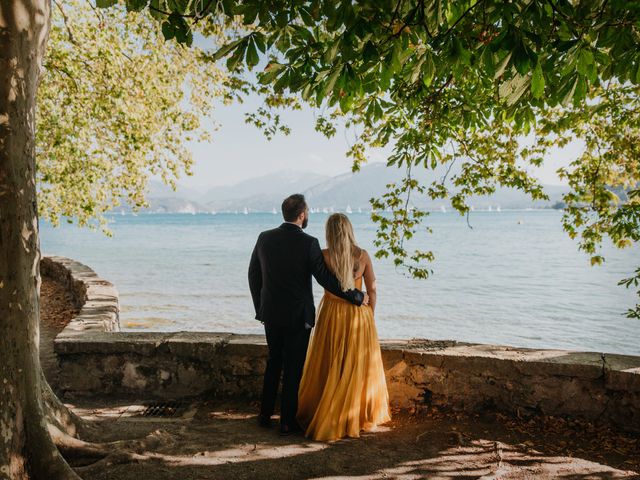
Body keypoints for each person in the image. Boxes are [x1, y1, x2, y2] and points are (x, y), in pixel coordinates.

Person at [248, 194, 367, 435]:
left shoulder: (264, 238)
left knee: (274, 363)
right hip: (298, 316)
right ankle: (286, 422)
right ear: (302, 215)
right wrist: (355, 296)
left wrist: (260, 307)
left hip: (270, 313)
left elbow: (253, 275)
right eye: (308, 212)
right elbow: (325, 279)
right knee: (293, 368)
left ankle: (264, 415)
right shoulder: (309, 243)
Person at [297, 213, 391, 441]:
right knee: (355, 364)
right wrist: (370, 315)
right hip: (359, 316)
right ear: (349, 230)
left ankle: (328, 410)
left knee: (331, 362)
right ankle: (355, 416)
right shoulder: (363, 256)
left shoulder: (324, 255)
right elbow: (373, 289)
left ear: (330, 232)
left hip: (332, 313)